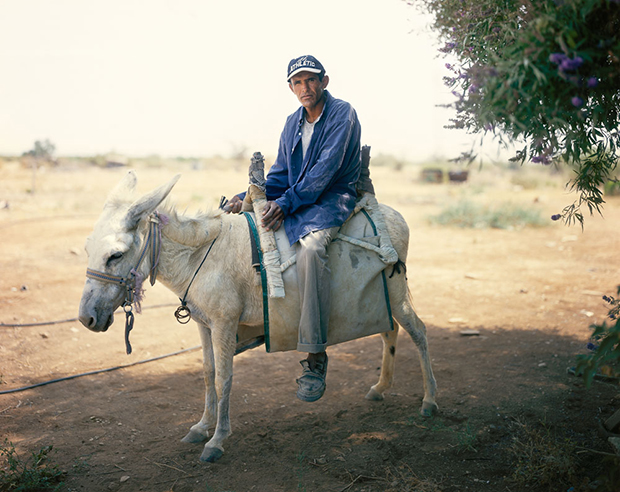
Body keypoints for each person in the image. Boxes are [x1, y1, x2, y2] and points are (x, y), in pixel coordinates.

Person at [227, 55, 362, 402]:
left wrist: (284, 204)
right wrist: (246, 197)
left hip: (333, 197)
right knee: (248, 234)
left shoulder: (342, 113)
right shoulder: (292, 122)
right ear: (290, 87)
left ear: (325, 81)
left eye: (311, 80)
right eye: (297, 82)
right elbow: (282, 175)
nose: (305, 87)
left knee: (312, 249)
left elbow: (323, 174)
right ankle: (256, 327)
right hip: (298, 197)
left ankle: (316, 355)